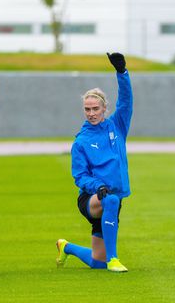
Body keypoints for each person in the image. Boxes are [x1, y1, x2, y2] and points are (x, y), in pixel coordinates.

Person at [56, 52, 132, 273]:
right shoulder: (81, 141)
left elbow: (126, 101)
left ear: (104, 109)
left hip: (113, 197)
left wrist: (122, 73)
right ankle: (114, 260)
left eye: (95, 109)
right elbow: (80, 176)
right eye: (87, 109)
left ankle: (66, 247)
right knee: (111, 201)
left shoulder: (117, 126)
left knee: (96, 262)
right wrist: (97, 187)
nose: (91, 113)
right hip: (93, 198)